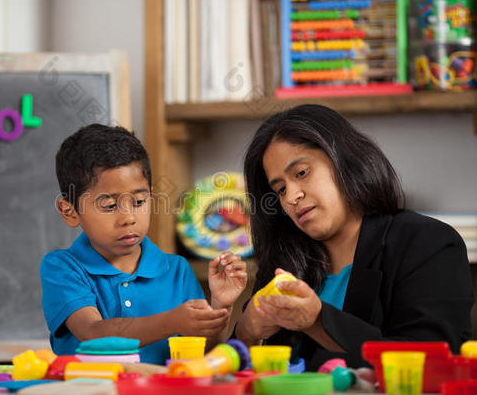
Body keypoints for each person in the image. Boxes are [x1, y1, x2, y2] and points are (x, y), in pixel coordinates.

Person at [235, 104, 473, 370]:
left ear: (344, 159)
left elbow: (430, 363)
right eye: (280, 189)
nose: (291, 197)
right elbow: (241, 372)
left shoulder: (429, 243)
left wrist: (317, 321)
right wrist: (246, 333)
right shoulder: (284, 261)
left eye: (302, 173)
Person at [40, 124, 247, 364]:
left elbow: (204, 358)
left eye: (139, 201)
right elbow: (92, 334)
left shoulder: (176, 270)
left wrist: (219, 305)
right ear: (69, 211)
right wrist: (172, 321)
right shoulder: (63, 267)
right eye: (109, 205)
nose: (128, 217)